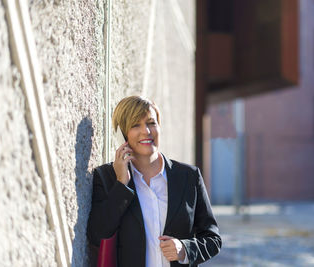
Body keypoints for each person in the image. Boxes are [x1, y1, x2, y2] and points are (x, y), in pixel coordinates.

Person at [87, 96, 221, 267]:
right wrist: (122, 184)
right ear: (123, 134)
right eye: (136, 125)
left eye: (151, 123)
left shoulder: (189, 177)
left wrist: (185, 249)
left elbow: (213, 239)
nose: (146, 131)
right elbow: (97, 235)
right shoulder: (107, 177)